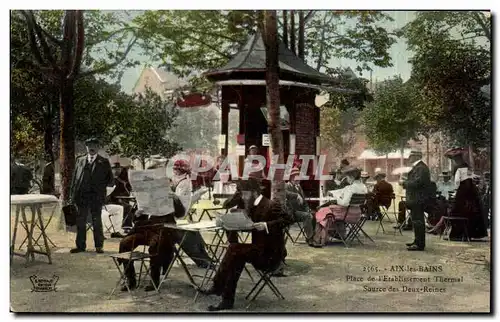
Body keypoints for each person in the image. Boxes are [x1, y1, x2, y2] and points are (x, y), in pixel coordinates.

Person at [200, 178, 293, 311]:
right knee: (235, 255)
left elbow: (289, 219)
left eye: (244, 194)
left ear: (254, 193)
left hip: (271, 254)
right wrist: (227, 223)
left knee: (234, 250)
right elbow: (248, 225)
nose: (242, 197)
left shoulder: (272, 205)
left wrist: (267, 225)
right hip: (258, 250)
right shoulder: (251, 206)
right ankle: (226, 299)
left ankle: (218, 287)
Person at [427, 149, 487, 240]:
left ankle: (457, 234)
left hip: (462, 190)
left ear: (456, 160)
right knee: (471, 211)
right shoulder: (467, 167)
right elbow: (470, 178)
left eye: (454, 160)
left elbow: (457, 182)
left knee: (457, 210)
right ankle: (469, 234)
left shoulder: (457, 168)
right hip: (471, 190)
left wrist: (457, 191)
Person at [69, 138, 114, 254]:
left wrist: (103, 193)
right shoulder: (80, 160)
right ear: (86, 147)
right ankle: (80, 246)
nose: (92, 148)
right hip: (81, 197)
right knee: (81, 222)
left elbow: (110, 181)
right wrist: (72, 197)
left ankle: (99, 246)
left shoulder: (104, 162)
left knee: (96, 222)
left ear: (98, 147)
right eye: (89, 146)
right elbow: (75, 180)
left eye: (94, 145)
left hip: (96, 198)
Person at [311, 167, 368, 247]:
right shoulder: (363, 187)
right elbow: (343, 190)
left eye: (347, 177)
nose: (346, 179)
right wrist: (332, 192)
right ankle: (327, 237)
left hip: (347, 214)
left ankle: (319, 239)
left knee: (322, 211)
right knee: (326, 211)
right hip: (357, 213)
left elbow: (344, 203)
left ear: (351, 177)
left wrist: (337, 198)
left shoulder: (350, 188)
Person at [401, 151, 434, 251]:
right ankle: (417, 241)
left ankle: (419, 244)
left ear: (416, 157)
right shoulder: (420, 167)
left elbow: (417, 183)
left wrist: (404, 183)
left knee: (418, 221)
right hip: (416, 199)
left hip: (418, 199)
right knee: (416, 221)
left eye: (411, 156)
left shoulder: (420, 168)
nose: (409, 158)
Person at [285, 167, 314, 242]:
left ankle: (314, 236)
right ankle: (310, 238)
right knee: (307, 216)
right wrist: (296, 195)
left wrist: (308, 209)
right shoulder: (287, 186)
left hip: (301, 212)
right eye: (296, 176)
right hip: (292, 212)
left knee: (314, 214)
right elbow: (286, 193)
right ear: (291, 177)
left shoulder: (299, 187)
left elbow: (304, 202)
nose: (299, 178)